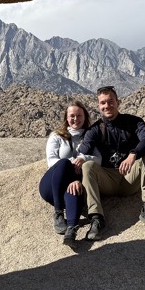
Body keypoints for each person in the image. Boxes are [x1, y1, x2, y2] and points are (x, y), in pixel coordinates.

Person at [75, 85, 145, 241]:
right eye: (103, 103)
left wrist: (133, 154)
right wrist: (78, 161)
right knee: (87, 165)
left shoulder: (133, 122)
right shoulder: (95, 130)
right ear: (98, 106)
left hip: (130, 177)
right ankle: (96, 218)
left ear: (118, 102)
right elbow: (82, 152)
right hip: (107, 181)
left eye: (111, 101)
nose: (107, 106)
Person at [39, 101, 100, 245]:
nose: (75, 119)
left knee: (75, 188)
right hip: (53, 185)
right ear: (66, 118)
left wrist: (84, 158)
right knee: (64, 163)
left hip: (73, 184)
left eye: (79, 115)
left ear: (85, 117)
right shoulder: (56, 136)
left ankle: (71, 231)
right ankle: (58, 212)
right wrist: (72, 162)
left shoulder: (90, 136)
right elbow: (51, 161)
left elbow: (99, 159)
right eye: (72, 116)